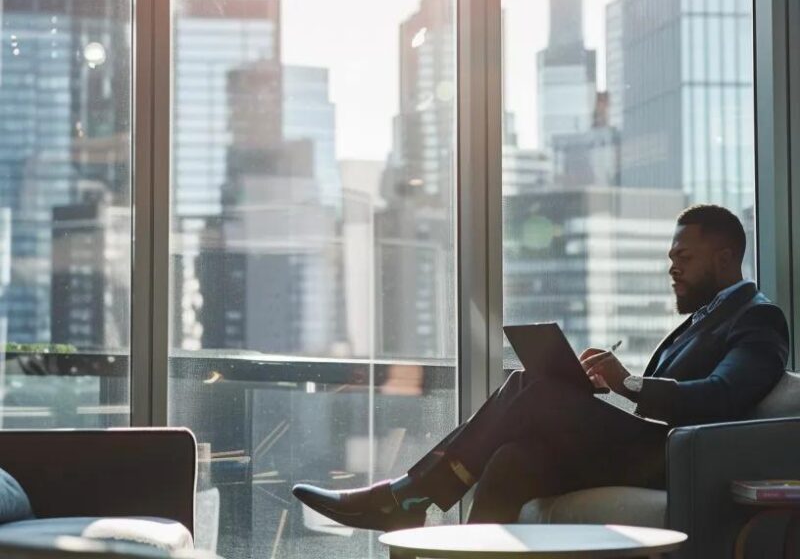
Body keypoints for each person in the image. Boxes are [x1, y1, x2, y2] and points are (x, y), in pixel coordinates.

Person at [293, 204, 789, 530]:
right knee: (514, 458)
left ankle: (407, 497)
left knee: (536, 385)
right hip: (651, 449)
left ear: (725, 259)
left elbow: (723, 396)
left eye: (684, 256)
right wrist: (600, 389)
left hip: (682, 461)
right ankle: (419, 510)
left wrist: (629, 382)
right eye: (670, 256)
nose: (672, 267)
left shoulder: (758, 317)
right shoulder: (704, 319)